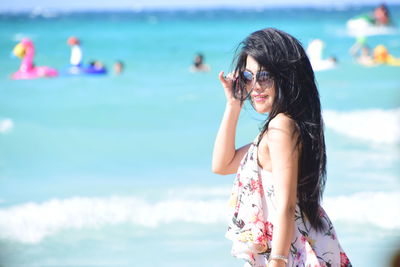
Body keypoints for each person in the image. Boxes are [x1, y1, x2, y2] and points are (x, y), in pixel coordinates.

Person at [212, 28, 352, 267]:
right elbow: (222, 164)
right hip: (296, 245)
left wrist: (277, 261)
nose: (255, 86)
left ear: (286, 76)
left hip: (291, 251)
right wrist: (233, 104)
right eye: (248, 76)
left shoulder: (281, 127)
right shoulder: (279, 129)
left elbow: (286, 205)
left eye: (264, 75)